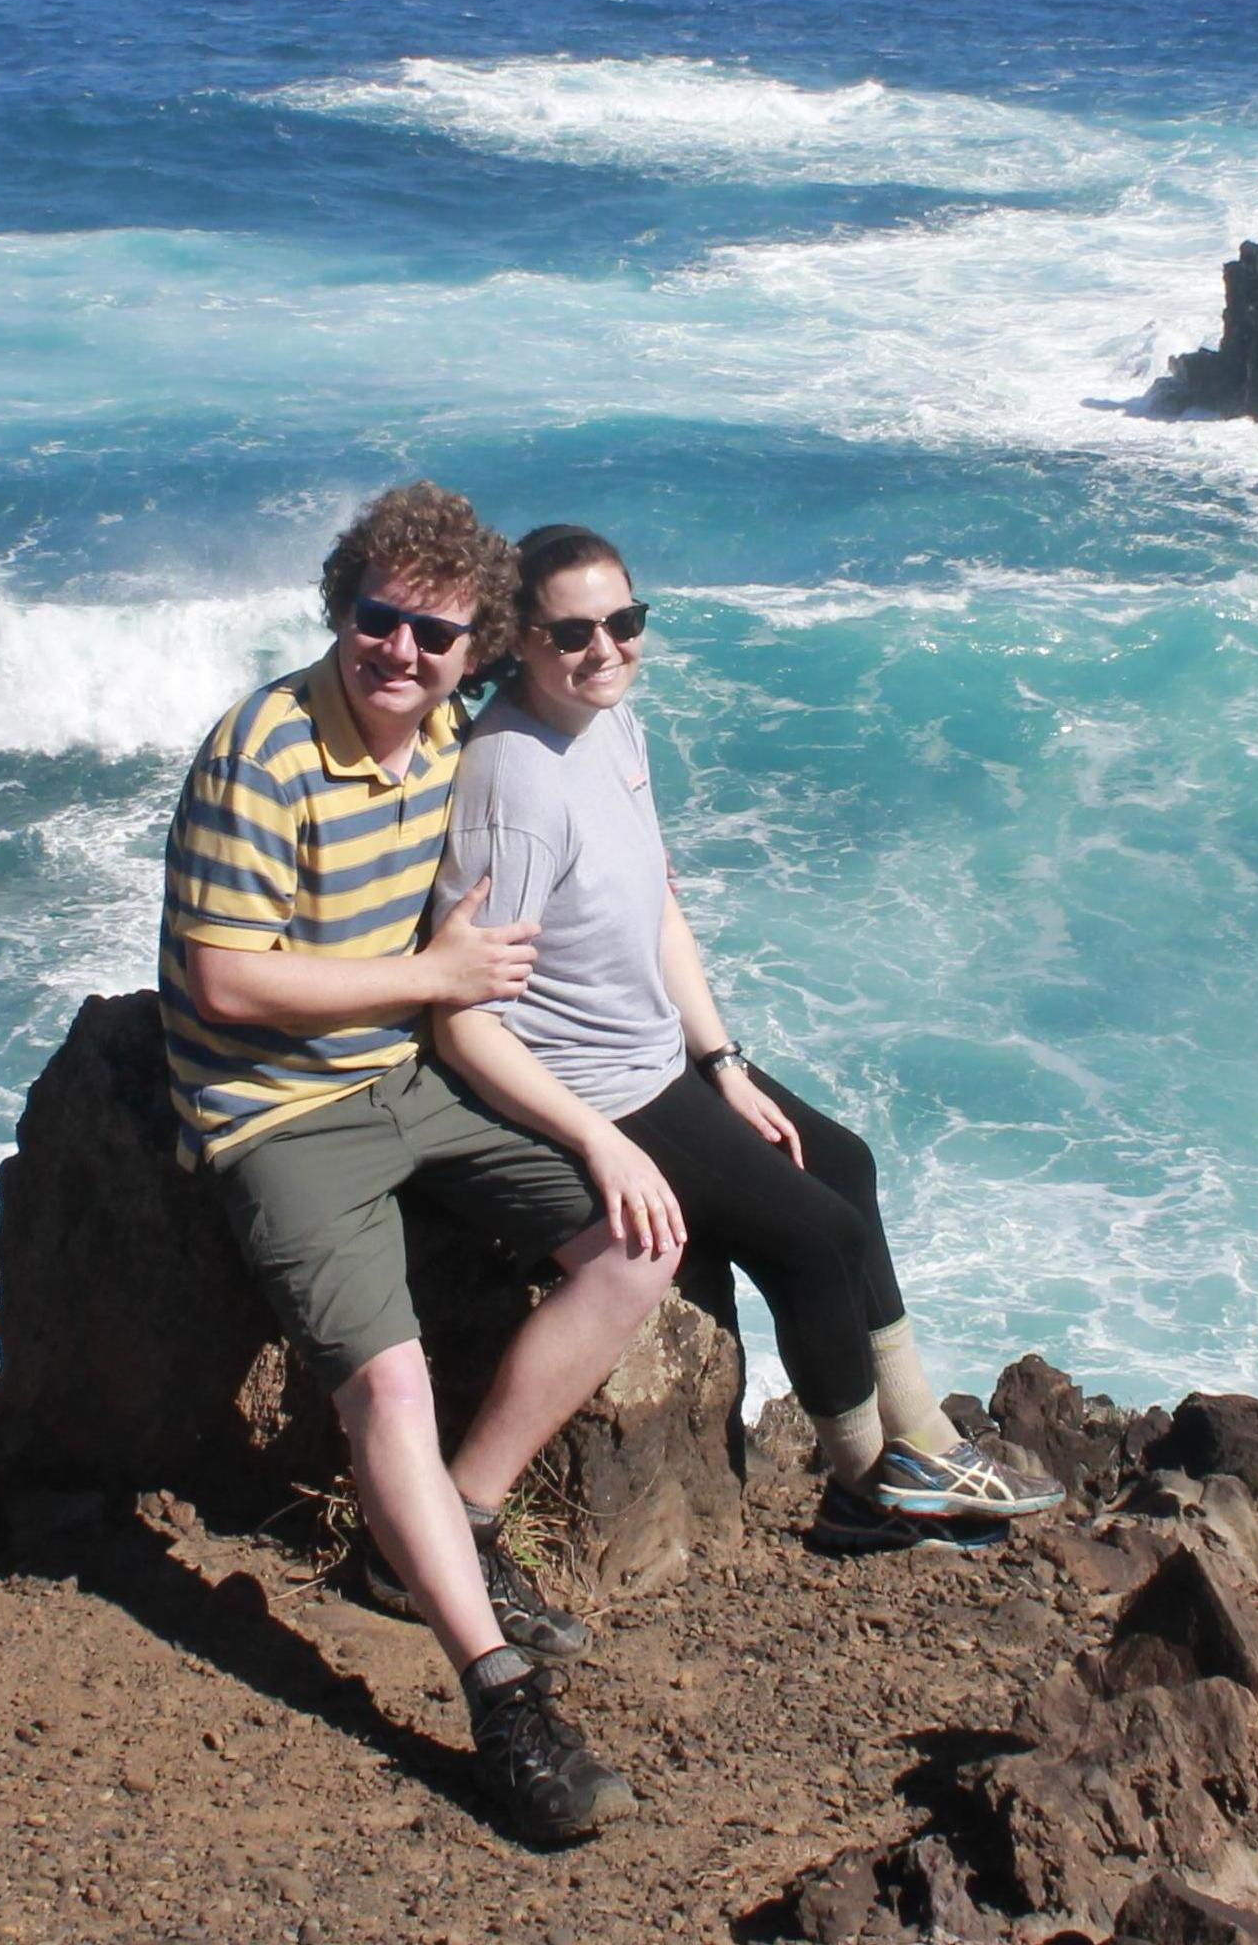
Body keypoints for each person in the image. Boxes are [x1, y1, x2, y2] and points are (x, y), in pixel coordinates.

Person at [158, 483, 682, 1842]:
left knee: (637, 1247)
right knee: (384, 1381)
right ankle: (498, 1696)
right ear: (342, 610)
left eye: (437, 636)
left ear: (475, 651)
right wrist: (433, 971)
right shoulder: (262, 750)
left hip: (411, 1074)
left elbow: (579, 777)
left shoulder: (458, 731)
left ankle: (444, 1529)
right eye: (378, 622)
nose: (402, 653)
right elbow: (224, 979)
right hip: (277, 1108)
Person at [428, 524, 1065, 1552]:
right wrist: (597, 1139)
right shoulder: (513, 785)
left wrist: (720, 1060)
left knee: (842, 1164)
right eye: (573, 632)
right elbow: (464, 1021)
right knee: (818, 1242)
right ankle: (858, 1490)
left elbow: (659, 910)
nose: (606, 649)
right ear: (520, 638)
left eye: (625, 623)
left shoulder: (608, 726)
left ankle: (925, 1443)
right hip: (591, 1082)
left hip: (655, 1053)